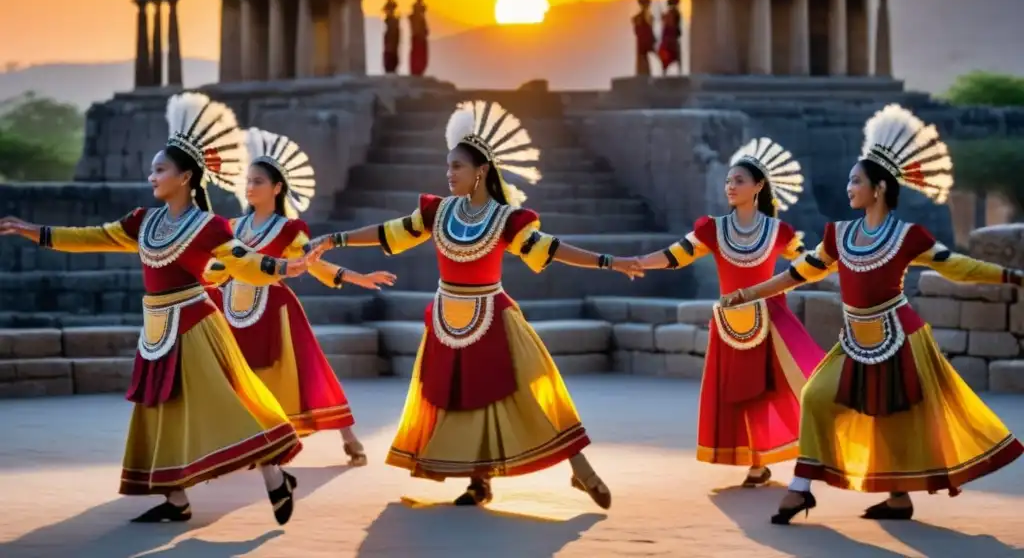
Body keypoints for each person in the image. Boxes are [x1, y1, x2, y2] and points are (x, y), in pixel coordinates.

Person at [305, 100, 644, 509]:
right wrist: (335, 239)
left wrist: (611, 262)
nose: (449, 175)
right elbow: (386, 232)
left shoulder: (506, 220)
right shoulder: (437, 212)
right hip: (448, 318)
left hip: (494, 317)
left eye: (457, 168)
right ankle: (478, 482)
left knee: (529, 392)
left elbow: (552, 249)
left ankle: (580, 467)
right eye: (447, 167)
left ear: (480, 171)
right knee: (460, 399)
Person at [0, 92, 312, 525]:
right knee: (158, 410)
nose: (152, 176)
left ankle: (275, 474)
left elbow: (244, 259)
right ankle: (177, 501)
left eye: (160, 169)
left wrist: (286, 266)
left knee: (226, 406)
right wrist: (34, 231)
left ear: (184, 177)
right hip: (156, 329)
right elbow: (92, 237)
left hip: (197, 327)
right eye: (152, 169)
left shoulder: (208, 226)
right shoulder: (142, 221)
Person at [720, 104, 1024, 524]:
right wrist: (749, 293)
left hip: (900, 336)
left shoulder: (907, 237)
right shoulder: (839, 235)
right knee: (816, 396)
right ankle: (802, 489)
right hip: (854, 338)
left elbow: (959, 265)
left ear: (878, 188)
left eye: (856, 180)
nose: (849, 187)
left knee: (896, 416)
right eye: (849, 180)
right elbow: (796, 274)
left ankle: (888, 498)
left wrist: (1013, 276)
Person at [638, 138, 824, 487]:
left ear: (759, 186)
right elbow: (676, 254)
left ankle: (771, 460)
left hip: (773, 321)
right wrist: (637, 262)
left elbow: (811, 263)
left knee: (775, 388)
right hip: (731, 322)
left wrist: (850, 261)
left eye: (739, 180)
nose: (730, 186)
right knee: (740, 390)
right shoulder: (713, 229)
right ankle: (756, 460)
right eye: (728, 181)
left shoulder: (780, 232)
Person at [218, 127, 396, 465]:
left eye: (258, 181)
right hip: (232, 306)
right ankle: (252, 441)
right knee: (238, 375)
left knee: (309, 372)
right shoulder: (231, 227)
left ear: (277, 188)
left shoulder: (288, 230)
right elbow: (218, 268)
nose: (250, 187)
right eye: (249, 180)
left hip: (275, 310)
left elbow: (315, 264)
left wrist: (358, 277)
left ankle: (348, 436)